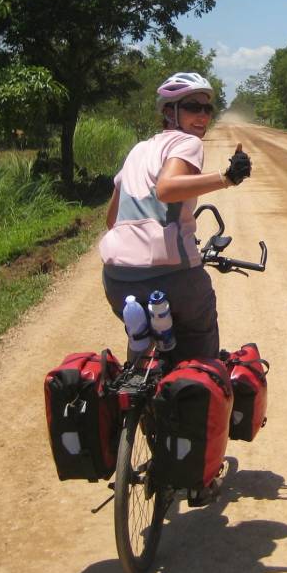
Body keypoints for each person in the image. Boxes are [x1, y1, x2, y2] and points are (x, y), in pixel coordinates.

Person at [100, 72, 251, 362]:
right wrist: (228, 177)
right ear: (170, 112)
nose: (202, 116)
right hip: (172, 276)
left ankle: (139, 367)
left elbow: (111, 220)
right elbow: (167, 188)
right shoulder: (187, 143)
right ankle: (199, 385)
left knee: (145, 338)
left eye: (207, 109)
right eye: (193, 107)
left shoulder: (138, 149)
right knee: (200, 345)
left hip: (117, 280)